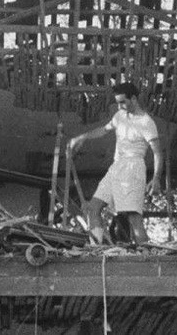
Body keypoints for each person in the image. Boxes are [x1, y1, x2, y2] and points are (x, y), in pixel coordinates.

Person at [68, 83, 162, 245]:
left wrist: (156, 178)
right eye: (117, 102)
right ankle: (96, 249)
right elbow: (104, 130)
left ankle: (148, 255)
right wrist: (82, 137)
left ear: (134, 99)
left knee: (134, 218)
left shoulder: (147, 123)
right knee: (93, 208)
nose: (119, 106)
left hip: (133, 168)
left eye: (123, 102)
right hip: (116, 166)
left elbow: (158, 152)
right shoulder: (120, 115)